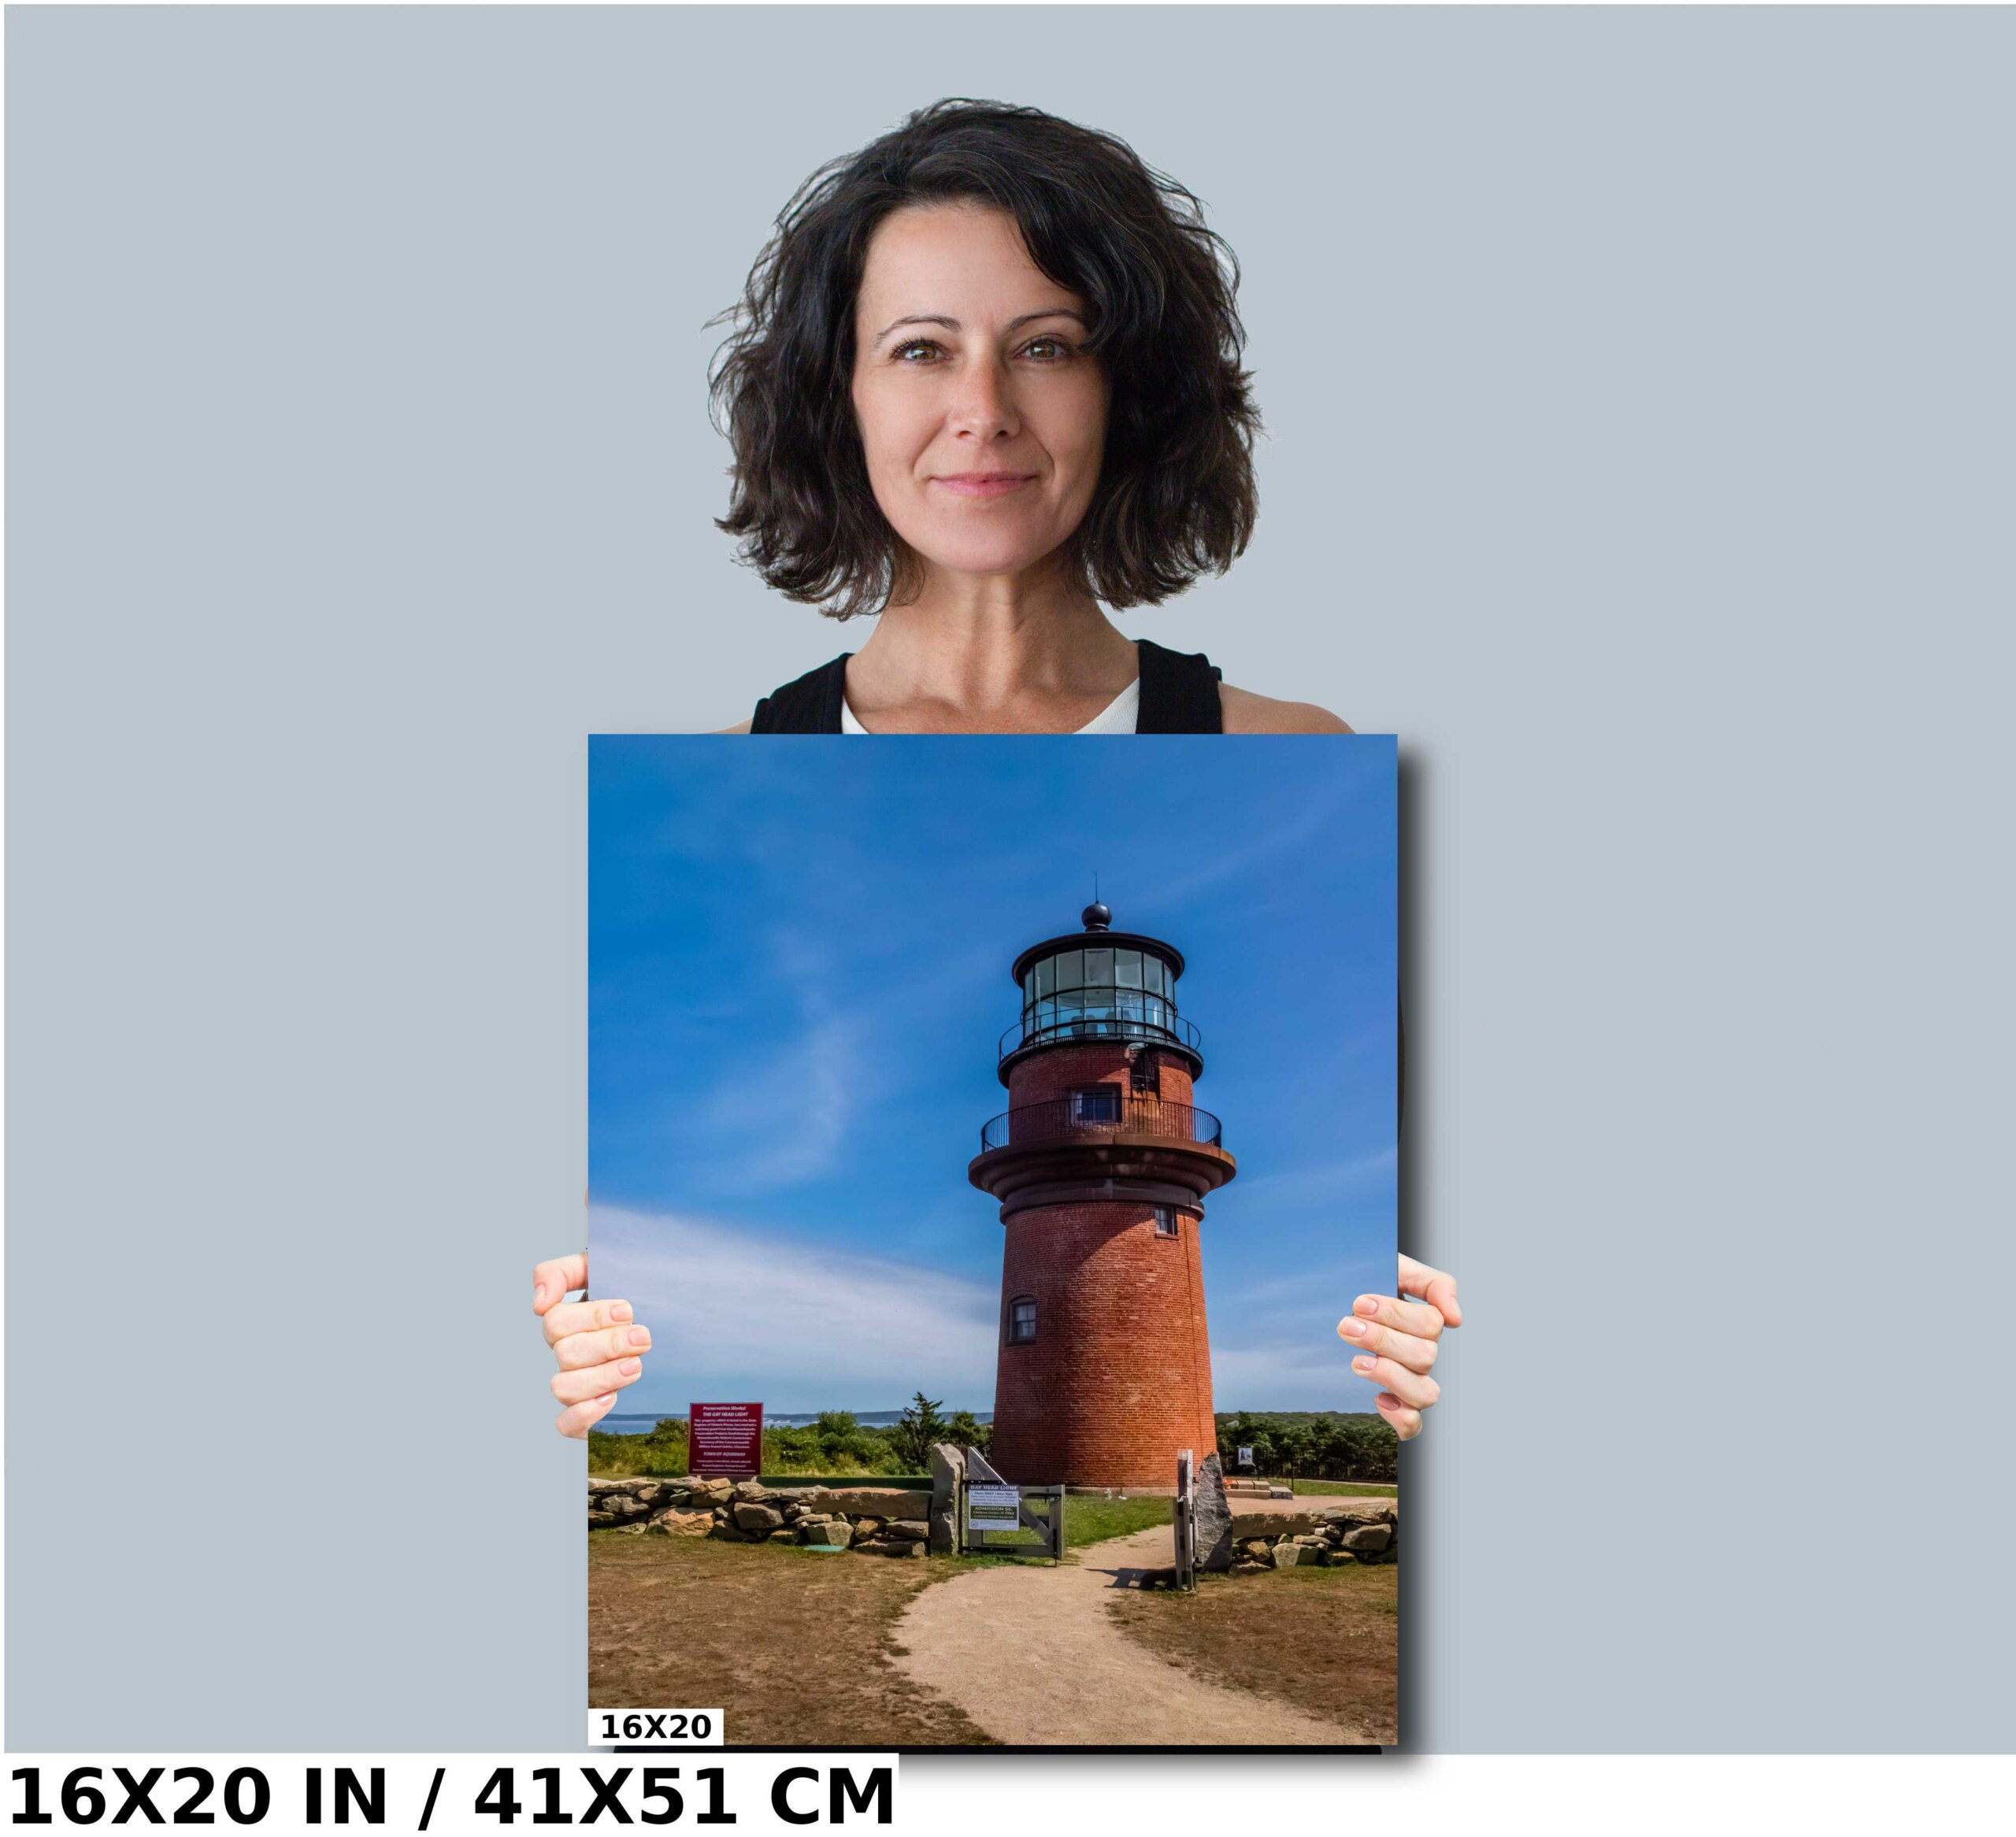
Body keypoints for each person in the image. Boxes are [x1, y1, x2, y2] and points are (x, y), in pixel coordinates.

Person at [537, 98, 1462, 1441]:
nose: (982, 410)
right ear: (836, 394)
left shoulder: (1295, 743)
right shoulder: (752, 749)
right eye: (919, 349)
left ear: (1128, 390)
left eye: (1050, 345)